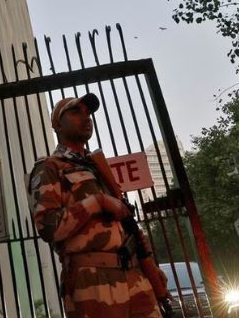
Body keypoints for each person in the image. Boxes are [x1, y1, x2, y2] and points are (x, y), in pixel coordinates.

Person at [30, 94, 164, 318]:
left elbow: (126, 221)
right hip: (92, 280)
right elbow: (48, 227)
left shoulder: (97, 166)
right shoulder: (49, 168)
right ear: (56, 124)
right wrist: (97, 202)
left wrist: (149, 263)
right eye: (75, 112)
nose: (86, 117)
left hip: (134, 274)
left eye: (88, 113)